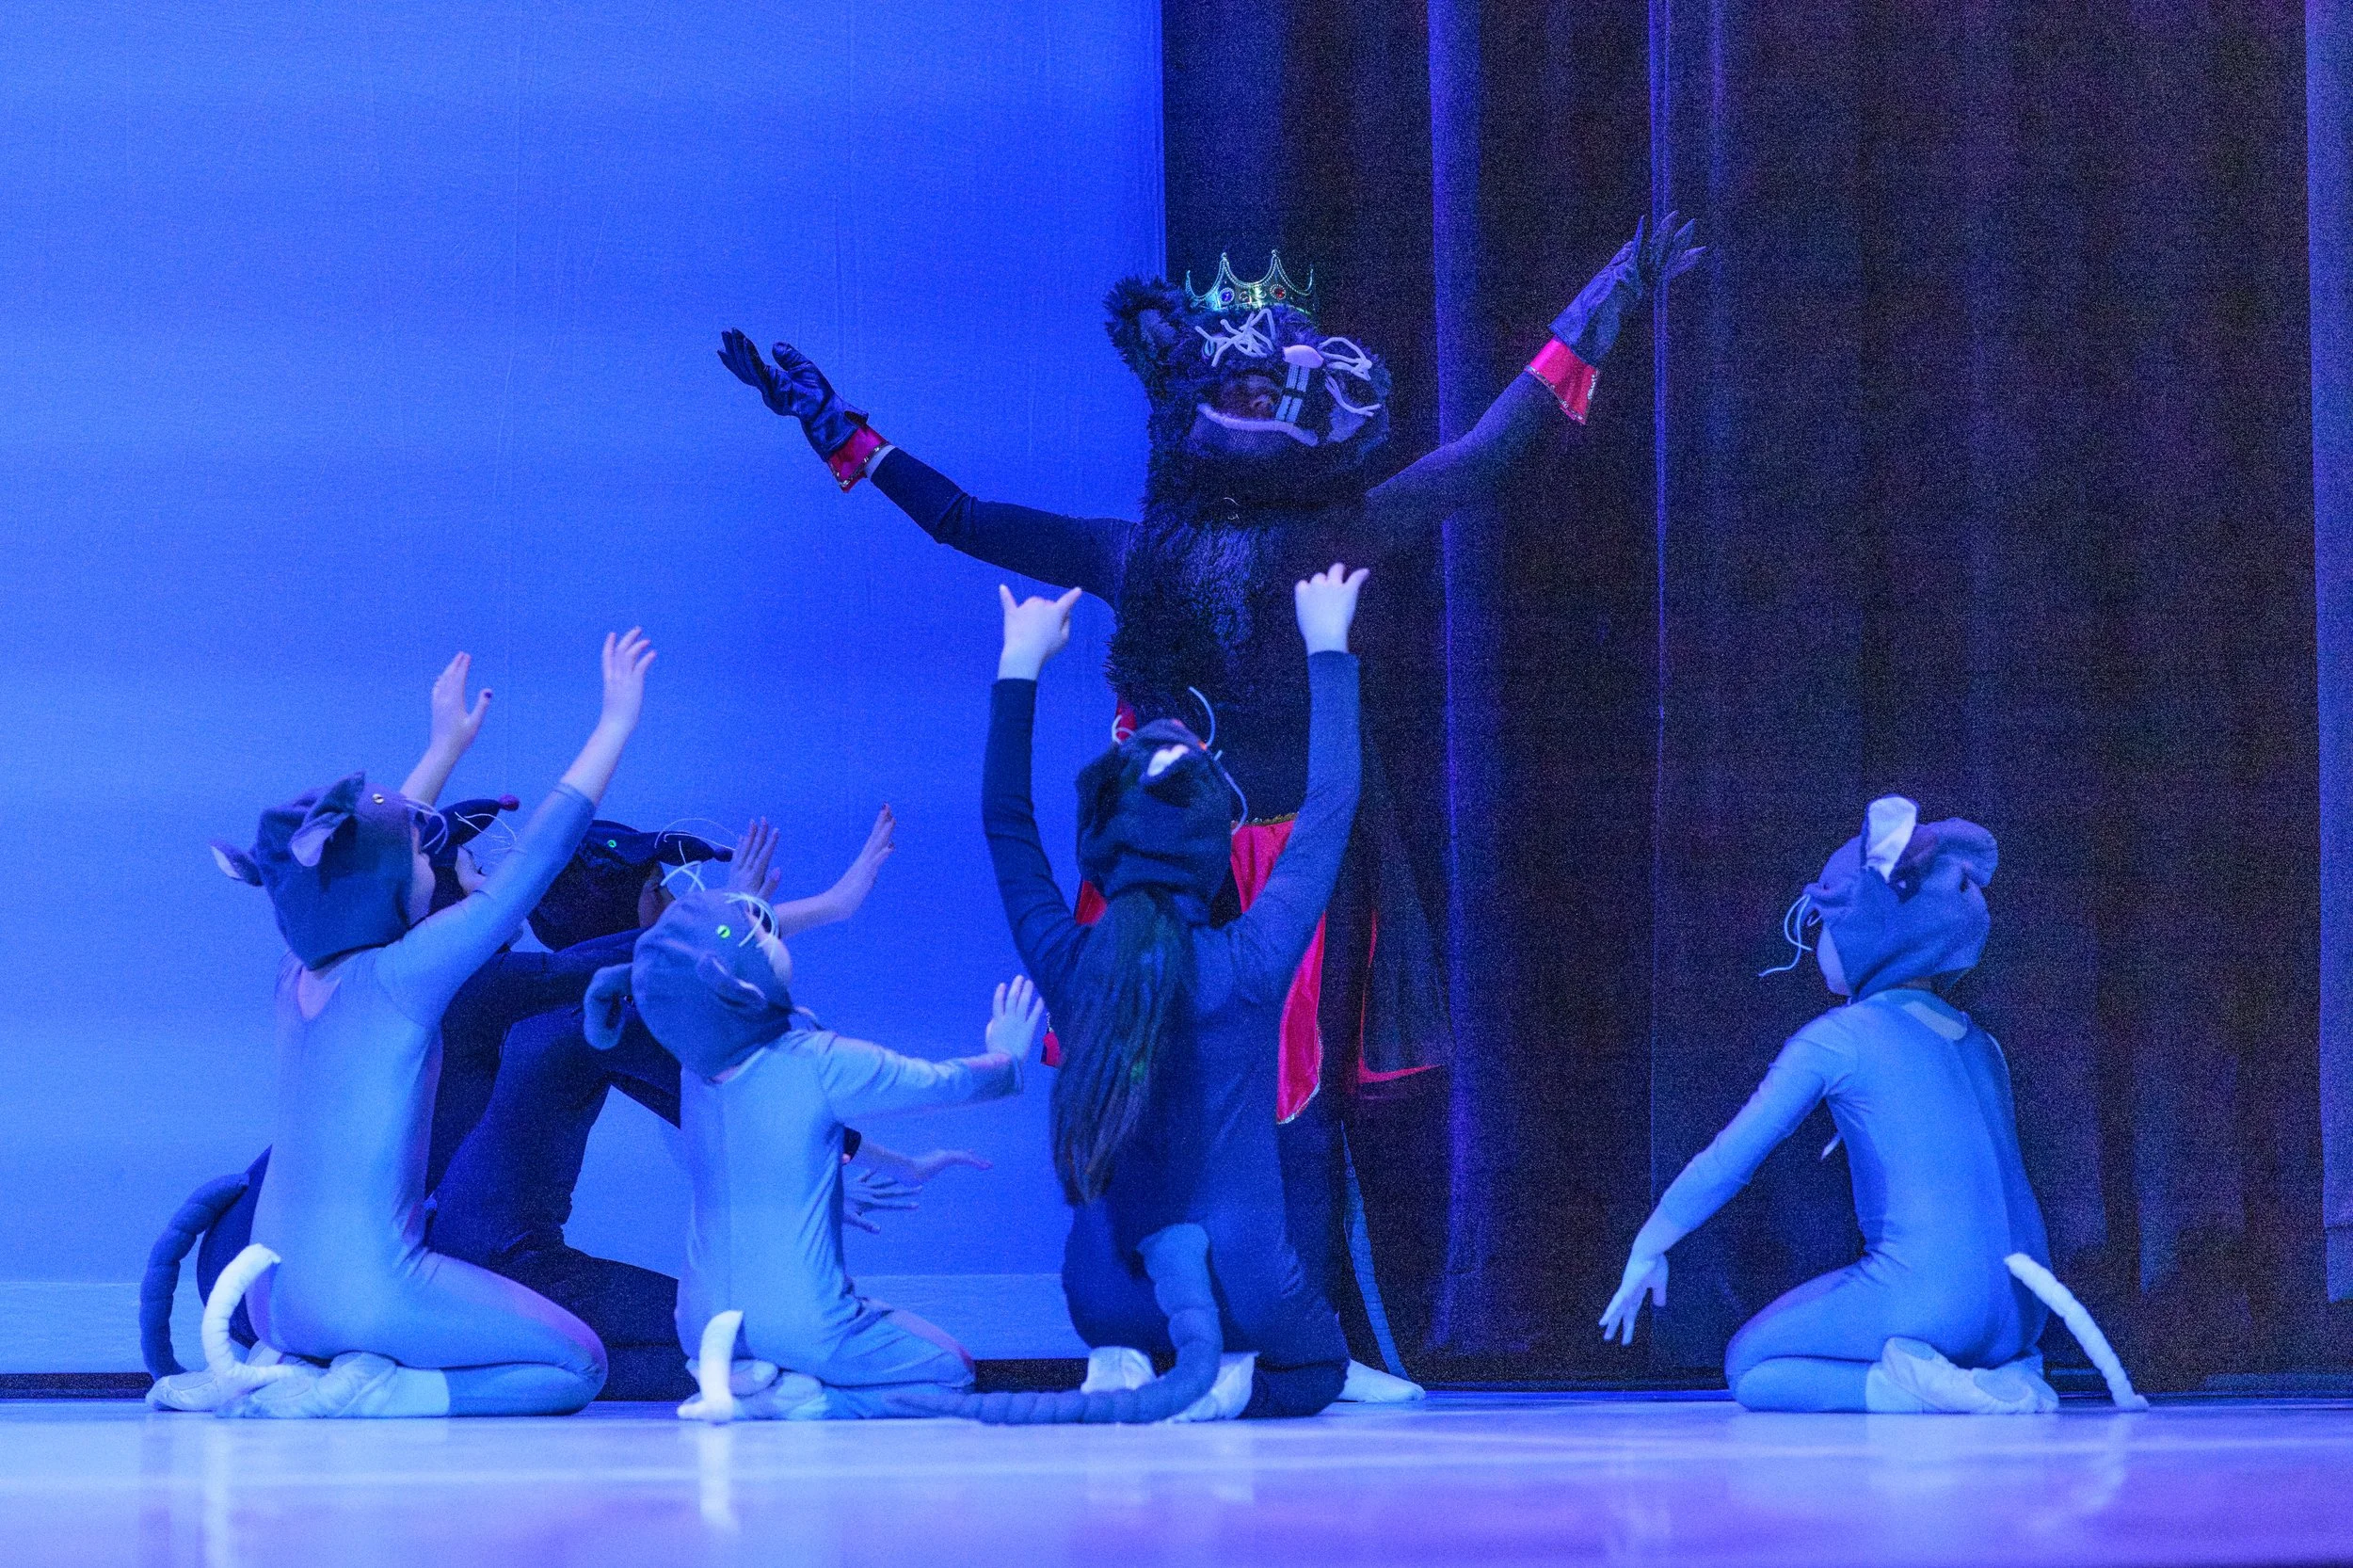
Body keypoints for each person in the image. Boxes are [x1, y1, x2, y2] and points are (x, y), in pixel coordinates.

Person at [719, 217, 1702, 1397]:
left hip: (1291, 851)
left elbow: (1485, 457)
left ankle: (1299, 1332)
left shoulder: (1335, 532)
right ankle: (1135, 1327)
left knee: (1295, 1107)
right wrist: (837, 428)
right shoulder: (1133, 553)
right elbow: (966, 519)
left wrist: (1601, 303)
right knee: (1128, 1077)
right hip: (1156, 866)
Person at [907, 564, 1365, 1424]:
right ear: (1214, 844)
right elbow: (1330, 805)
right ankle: (1226, 1383)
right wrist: (1328, 647)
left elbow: (1005, 821)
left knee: (1133, 1287)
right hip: (1246, 1288)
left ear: (1096, 844)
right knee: (1318, 1374)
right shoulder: (1251, 958)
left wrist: (1020, 661)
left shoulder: (1067, 958)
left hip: (1103, 1290)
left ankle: (1128, 1362)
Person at [186, 630, 655, 1417]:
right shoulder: (404, 978)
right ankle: (374, 1392)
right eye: (422, 860)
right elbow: (533, 863)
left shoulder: (296, 977)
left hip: (274, 1297)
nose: (434, 867)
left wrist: (442, 749)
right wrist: (614, 725)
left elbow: (353, 862)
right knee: (579, 1363)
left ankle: (295, 1368)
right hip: (365, 1291)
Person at [430, 812, 986, 1401]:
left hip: (456, 1264)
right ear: (625, 906)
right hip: (513, 1268)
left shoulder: (534, 999)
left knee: (698, 1342)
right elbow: (757, 1097)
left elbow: (698, 1101)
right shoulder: (593, 1016)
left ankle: (480, 1360)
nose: (673, 897)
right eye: (657, 887)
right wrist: (813, 906)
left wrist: (870, 1160)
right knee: (735, 1341)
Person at [1597, 796, 2063, 1414]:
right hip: (2025, 1307)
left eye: (1824, 926)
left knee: (1753, 1365)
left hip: (1930, 1300)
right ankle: (2005, 1372)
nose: (1817, 943)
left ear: (1868, 930)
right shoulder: (1983, 1043)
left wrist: (1649, 1245)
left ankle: (1930, 1394)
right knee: (1921, 1318)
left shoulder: (1836, 1037)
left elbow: (1730, 1160)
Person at [580, 893, 1038, 1419]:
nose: (773, 933)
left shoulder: (695, 1073)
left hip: (700, 1319)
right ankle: (806, 1401)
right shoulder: (815, 1063)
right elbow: (939, 1083)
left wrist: (906, 1166)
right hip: (805, 1324)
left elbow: (788, 1130)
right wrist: (1007, 1059)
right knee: (950, 1369)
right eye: (758, 932)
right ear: (736, 982)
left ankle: (753, 1383)